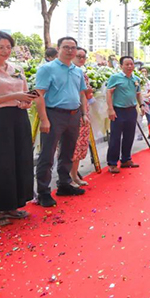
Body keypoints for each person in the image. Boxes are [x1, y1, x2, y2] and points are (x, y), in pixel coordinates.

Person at [34, 36, 89, 207]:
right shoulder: (47, 69)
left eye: (73, 47)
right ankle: (43, 192)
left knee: (68, 152)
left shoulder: (77, 71)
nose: (70, 50)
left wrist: (84, 114)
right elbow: (39, 95)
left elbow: (82, 94)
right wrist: (44, 119)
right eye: (66, 47)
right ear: (58, 49)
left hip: (73, 116)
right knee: (47, 154)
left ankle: (64, 184)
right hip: (54, 115)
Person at [0, 31, 38, 226]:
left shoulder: (16, 68)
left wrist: (25, 101)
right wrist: (14, 96)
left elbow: (24, 93)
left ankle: (13, 205)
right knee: (0, 164)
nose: (6, 51)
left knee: (19, 160)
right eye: (0, 47)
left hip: (18, 118)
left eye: (9, 47)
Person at [105, 56, 144, 174]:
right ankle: (112, 163)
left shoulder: (135, 78)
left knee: (129, 136)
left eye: (131, 64)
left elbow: (138, 93)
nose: (129, 66)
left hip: (131, 110)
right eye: (126, 64)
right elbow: (108, 93)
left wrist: (141, 105)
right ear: (121, 66)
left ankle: (126, 159)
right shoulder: (115, 78)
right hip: (118, 111)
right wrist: (110, 109)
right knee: (115, 138)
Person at [70, 47, 93, 187]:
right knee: (70, 146)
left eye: (84, 57)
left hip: (83, 112)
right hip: (68, 112)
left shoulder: (82, 74)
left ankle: (74, 174)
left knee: (80, 146)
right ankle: (68, 176)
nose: (81, 59)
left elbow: (87, 95)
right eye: (79, 56)